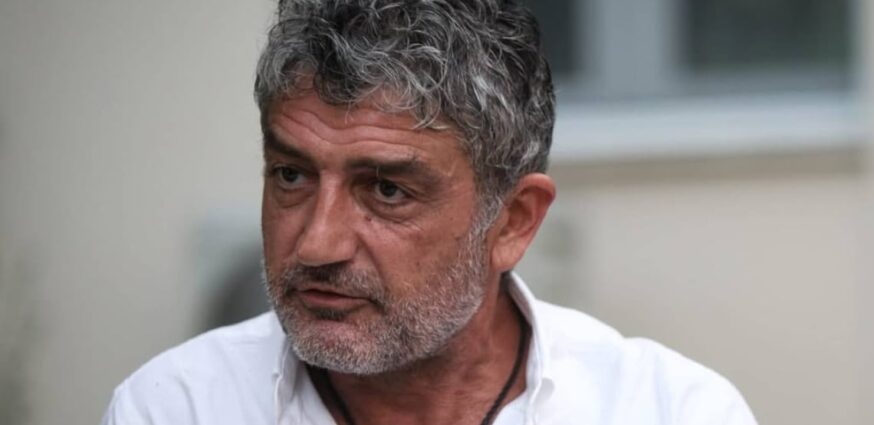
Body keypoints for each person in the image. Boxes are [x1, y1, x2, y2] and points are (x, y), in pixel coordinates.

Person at [101, 1, 757, 424]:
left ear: (513, 221)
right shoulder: (177, 408)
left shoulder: (667, 410)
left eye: (387, 190)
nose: (317, 243)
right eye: (292, 175)